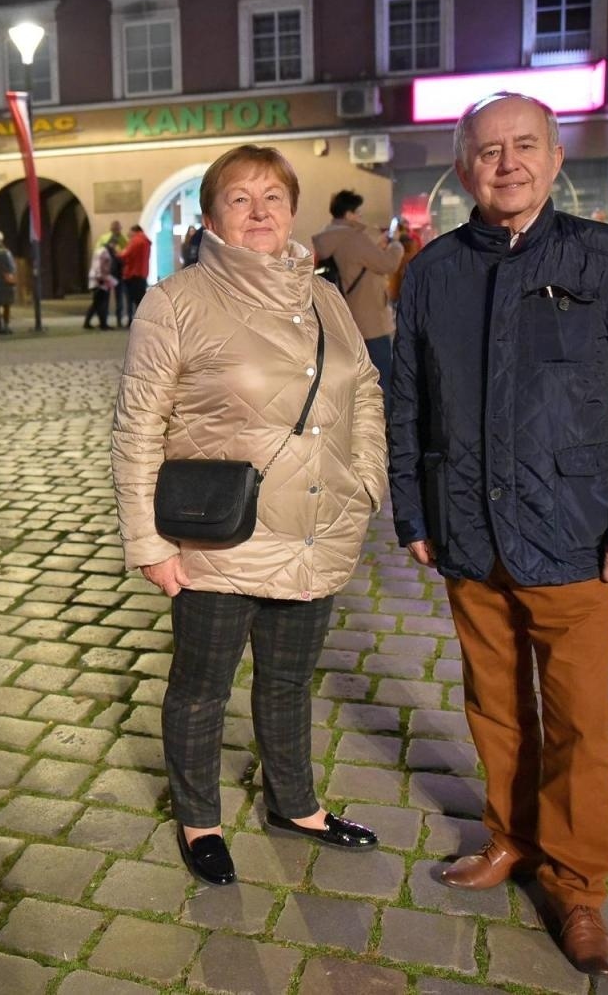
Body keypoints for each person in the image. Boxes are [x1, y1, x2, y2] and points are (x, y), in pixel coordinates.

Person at [388, 92, 608, 978]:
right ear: (462, 169)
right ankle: (510, 839)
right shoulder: (435, 272)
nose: (507, 163)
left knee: (578, 725)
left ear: (556, 159)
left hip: (574, 538)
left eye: (525, 146)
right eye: (488, 151)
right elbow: (406, 404)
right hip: (468, 541)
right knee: (493, 706)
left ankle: (578, 883)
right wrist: (415, 514)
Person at [112, 144, 386, 888]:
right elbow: (138, 426)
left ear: (292, 210)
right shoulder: (175, 302)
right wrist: (148, 539)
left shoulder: (325, 296)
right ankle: (200, 818)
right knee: (203, 685)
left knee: (290, 681)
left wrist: (366, 483)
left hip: (314, 529)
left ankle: (292, 804)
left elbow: (364, 390)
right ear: (210, 216)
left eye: (273, 196)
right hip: (217, 536)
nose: (260, 210)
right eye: (240, 198)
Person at [312, 191, 404, 391]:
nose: (360, 217)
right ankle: (384, 420)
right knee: (381, 379)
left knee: (358, 380)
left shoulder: (330, 238)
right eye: (358, 212)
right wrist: (396, 244)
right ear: (348, 214)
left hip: (347, 316)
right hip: (370, 321)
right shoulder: (353, 238)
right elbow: (387, 264)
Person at [83, 238, 117, 331]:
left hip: (98, 280)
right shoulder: (104, 253)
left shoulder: (100, 251)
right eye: (114, 245)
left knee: (96, 303)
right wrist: (100, 278)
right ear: (111, 244)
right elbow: (100, 266)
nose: (115, 247)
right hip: (100, 281)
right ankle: (103, 324)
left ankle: (88, 323)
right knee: (101, 303)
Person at [120, 224, 152, 321]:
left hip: (133, 274)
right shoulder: (146, 241)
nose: (128, 234)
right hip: (142, 273)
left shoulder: (135, 240)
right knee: (141, 300)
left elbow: (125, 254)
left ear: (134, 231)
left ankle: (133, 321)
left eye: (130, 232)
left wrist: (117, 253)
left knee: (132, 300)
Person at [101, 221, 130, 327]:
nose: (117, 231)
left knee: (119, 298)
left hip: (119, 273)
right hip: (108, 273)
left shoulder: (123, 240)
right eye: (115, 229)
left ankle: (118, 320)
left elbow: (127, 253)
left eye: (118, 229)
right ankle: (104, 321)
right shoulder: (105, 239)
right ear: (111, 229)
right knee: (106, 297)